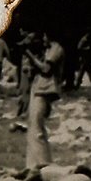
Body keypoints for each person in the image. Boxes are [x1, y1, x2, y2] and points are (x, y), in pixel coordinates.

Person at [23, 37, 63, 171]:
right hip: (38, 89)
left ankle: (43, 162)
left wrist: (30, 55)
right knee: (33, 127)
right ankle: (32, 164)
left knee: (37, 128)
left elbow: (46, 69)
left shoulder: (56, 49)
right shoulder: (45, 50)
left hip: (45, 90)